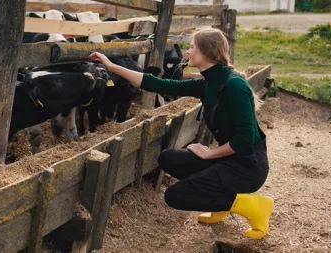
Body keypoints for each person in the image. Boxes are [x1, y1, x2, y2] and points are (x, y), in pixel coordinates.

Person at [88, 27, 274, 240]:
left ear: (207, 52)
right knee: (168, 158)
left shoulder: (234, 85)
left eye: (193, 47)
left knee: (176, 196)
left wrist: (209, 154)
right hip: (229, 161)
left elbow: (246, 138)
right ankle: (222, 204)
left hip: (247, 168)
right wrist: (112, 66)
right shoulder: (208, 83)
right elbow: (158, 83)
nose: (187, 52)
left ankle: (254, 206)